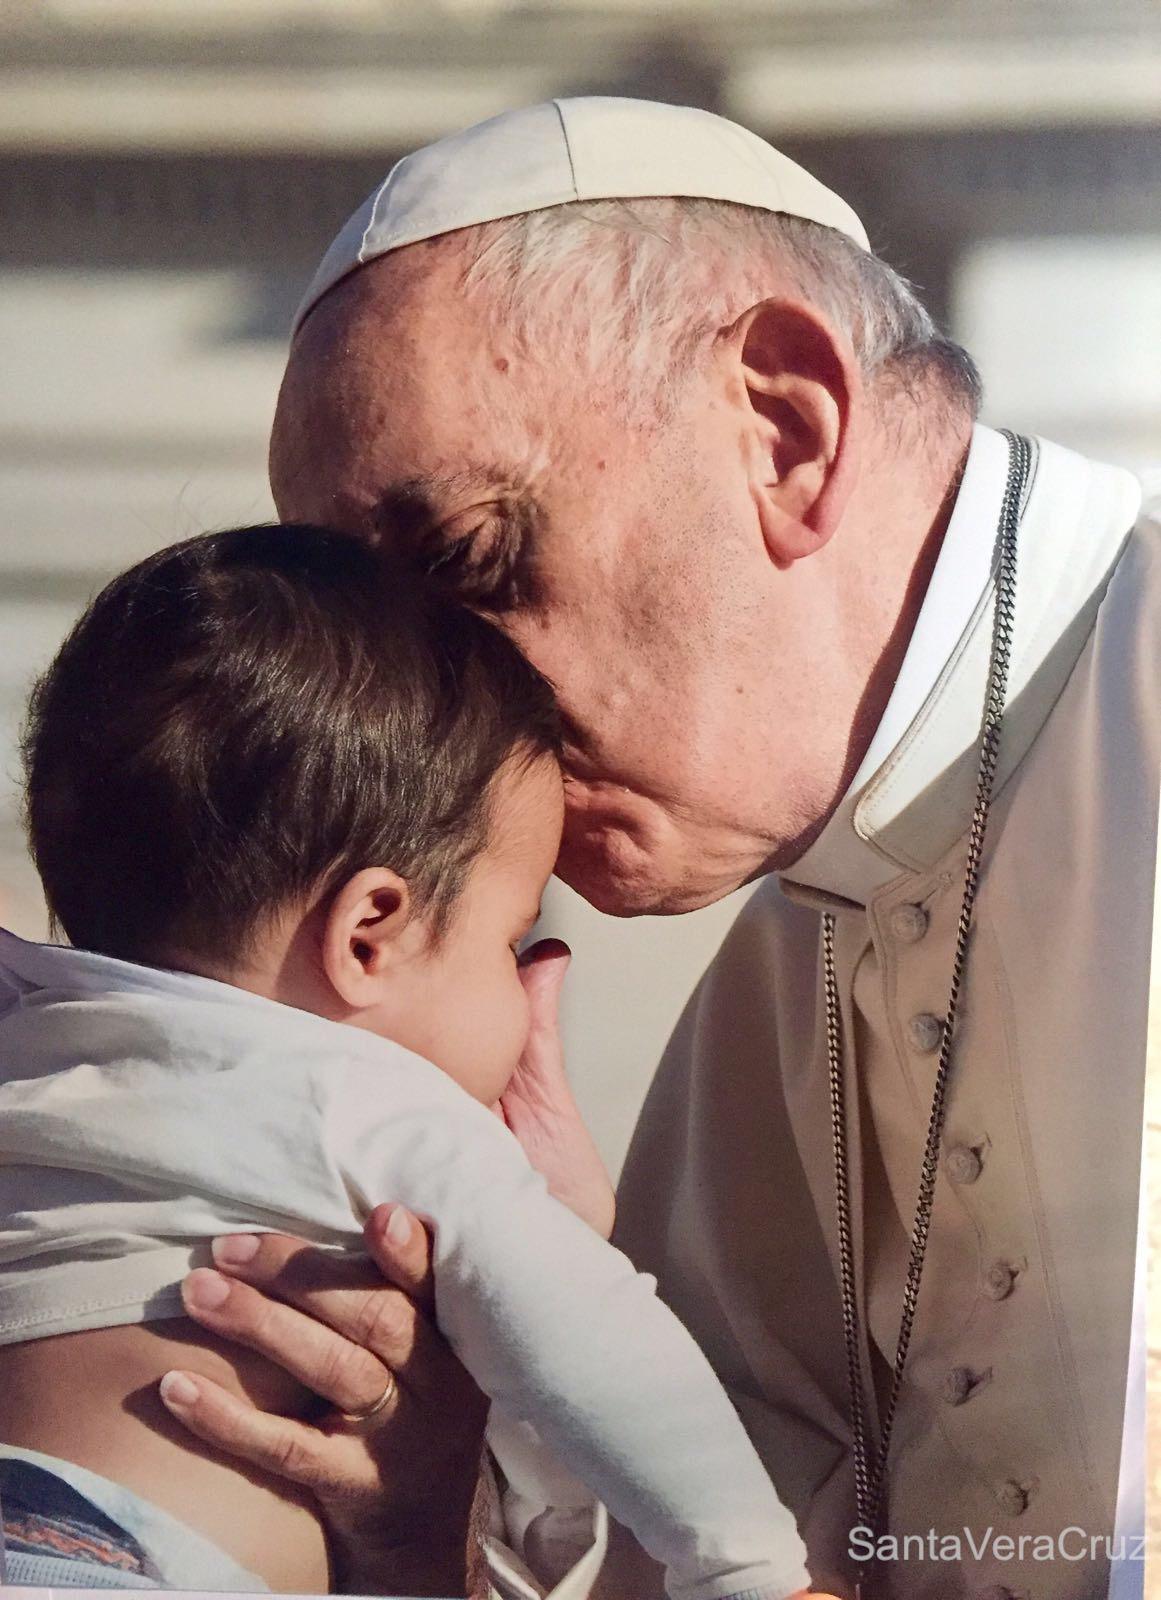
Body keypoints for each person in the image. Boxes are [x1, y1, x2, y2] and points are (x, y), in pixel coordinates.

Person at [143, 99, 1157, 1600]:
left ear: (786, 429)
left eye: (472, 572)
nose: (429, 723)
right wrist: (494, 1441)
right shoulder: (769, 1004)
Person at [0, 523, 822, 1600]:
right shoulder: (371, 1104)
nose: (519, 980)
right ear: (370, 934)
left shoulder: (39, 1049)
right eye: (510, 937)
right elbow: (598, 1338)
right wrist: (752, 1566)